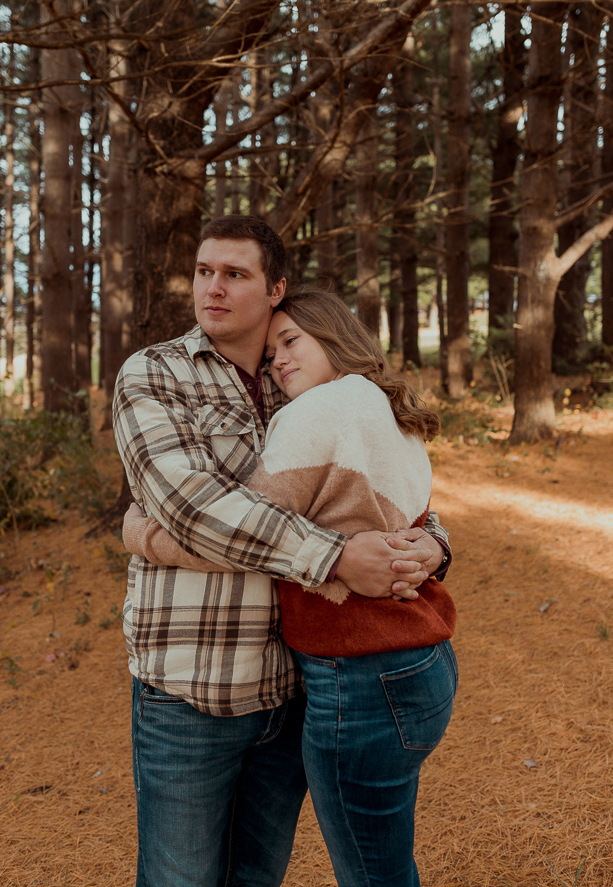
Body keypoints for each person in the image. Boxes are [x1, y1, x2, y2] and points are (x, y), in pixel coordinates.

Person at [111, 215, 451, 887]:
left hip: (296, 687)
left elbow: (372, 488)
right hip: (192, 688)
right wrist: (336, 557)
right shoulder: (154, 374)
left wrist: (433, 541)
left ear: (275, 290)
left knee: (256, 877)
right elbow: (197, 511)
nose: (213, 288)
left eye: (235, 274)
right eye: (205, 272)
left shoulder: (301, 381)